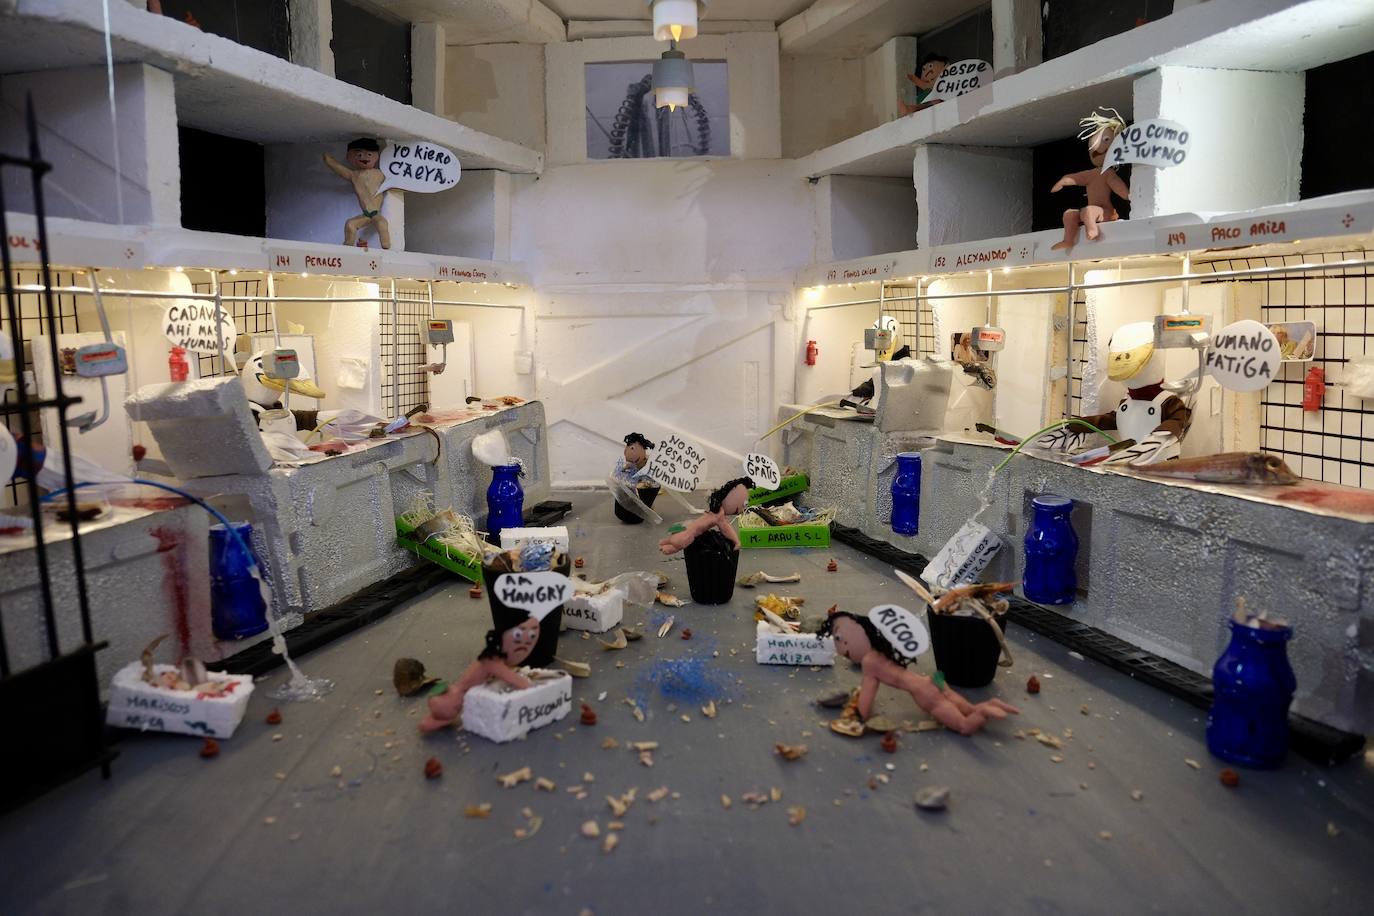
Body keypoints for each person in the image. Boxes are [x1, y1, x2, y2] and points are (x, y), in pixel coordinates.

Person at [818, 610, 1018, 735]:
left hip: (926, 693)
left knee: (964, 726)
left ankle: (983, 711)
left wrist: (860, 715)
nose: (842, 647)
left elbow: (868, 692)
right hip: (934, 682)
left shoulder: (870, 661)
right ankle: (990, 705)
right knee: (968, 710)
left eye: (840, 639)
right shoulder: (880, 651)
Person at [419, 614, 540, 733]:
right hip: (451, 699)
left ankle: (432, 719)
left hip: (449, 694)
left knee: (443, 717)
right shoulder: (493, 663)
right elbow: (516, 680)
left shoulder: (488, 658)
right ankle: (428, 724)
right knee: (445, 719)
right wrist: (535, 690)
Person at [1050, 109, 1130, 251]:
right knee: (1069, 214)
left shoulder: (1108, 173)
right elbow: (1076, 177)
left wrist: (1128, 195)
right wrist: (1062, 181)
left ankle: (1092, 230)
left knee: (1088, 211)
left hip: (1106, 213)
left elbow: (1117, 186)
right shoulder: (1091, 174)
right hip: (1091, 212)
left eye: (1106, 141)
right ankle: (1068, 241)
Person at [323, 138, 391, 249]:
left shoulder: (380, 174)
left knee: (382, 224)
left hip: (376, 214)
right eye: (359, 155)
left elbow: (396, 174)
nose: (364, 158)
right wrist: (329, 160)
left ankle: (386, 247)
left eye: (369, 154)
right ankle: (348, 247)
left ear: (376, 156)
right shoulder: (354, 175)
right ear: (351, 158)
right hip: (365, 215)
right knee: (350, 225)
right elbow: (340, 169)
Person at [658, 476, 753, 555]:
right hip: (691, 532)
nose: (742, 508)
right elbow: (726, 529)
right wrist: (736, 541)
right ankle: (668, 547)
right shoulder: (719, 515)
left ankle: (665, 542)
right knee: (681, 543)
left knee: (675, 538)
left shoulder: (714, 510)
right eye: (743, 504)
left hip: (688, 525)